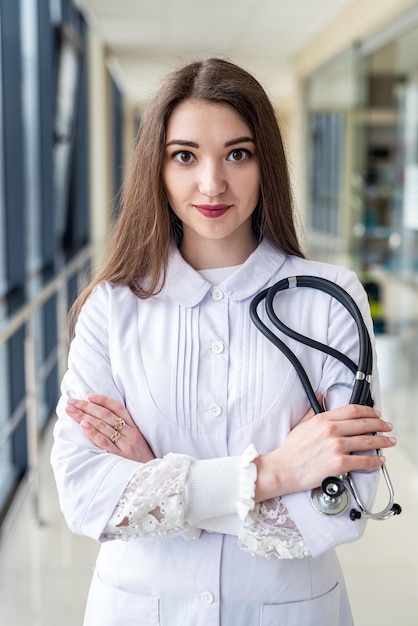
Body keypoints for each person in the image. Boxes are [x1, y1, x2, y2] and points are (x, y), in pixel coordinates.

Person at [51, 57, 396, 625]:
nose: (211, 184)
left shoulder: (333, 299)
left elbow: (346, 503)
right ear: (156, 169)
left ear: (266, 166)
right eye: (184, 156)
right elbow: (87, 496)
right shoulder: (111, 308)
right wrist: (277, 474)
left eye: (238, 154)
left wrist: (158, 479)